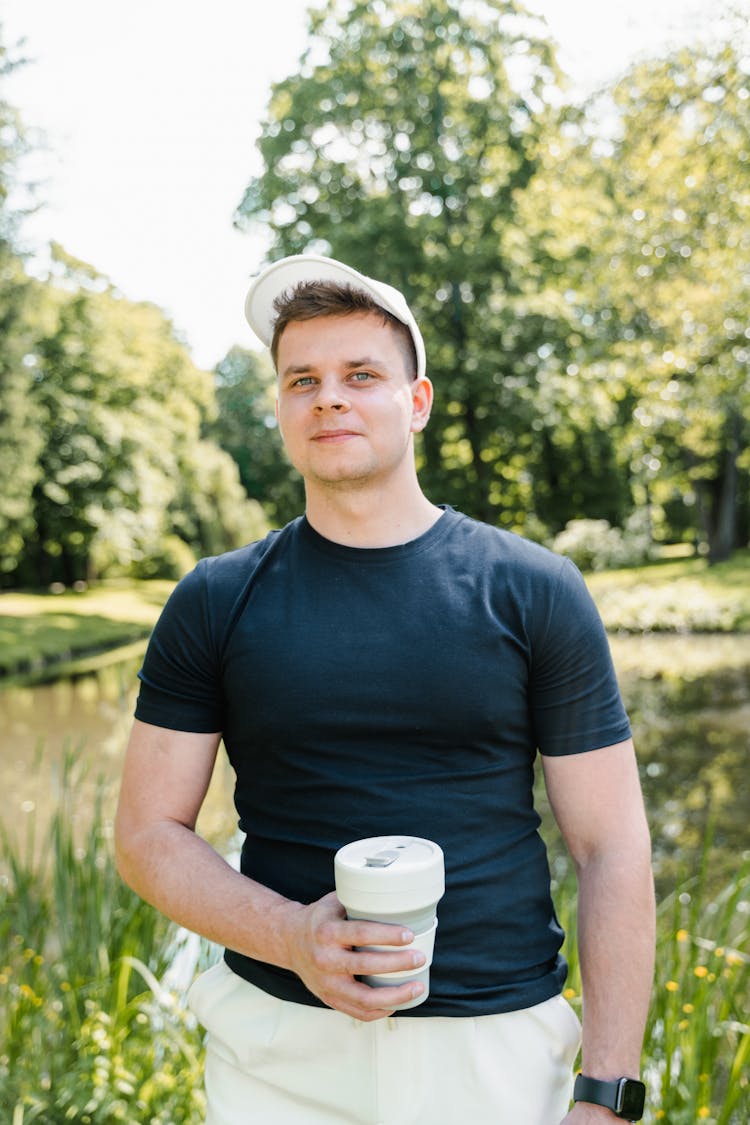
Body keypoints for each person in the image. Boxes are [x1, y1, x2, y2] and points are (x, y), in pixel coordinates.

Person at [115, 254, 656, 1125]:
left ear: (418, 402)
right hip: (279, 1053)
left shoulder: (534, 588)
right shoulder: (214, 599)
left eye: (361, 374)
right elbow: (146, 834)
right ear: (283, 409)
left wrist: (608, 1093)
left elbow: (613, 848)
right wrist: (294, 937)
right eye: (303, 380)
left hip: (498, 1052)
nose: (329, 397)